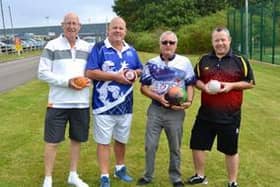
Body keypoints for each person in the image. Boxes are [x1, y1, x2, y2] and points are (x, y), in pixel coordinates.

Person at [186, 27, 255, 187]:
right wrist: (203, 87)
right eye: (216, 40)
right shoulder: (204, 60)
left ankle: (232, 182)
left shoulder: (240, 60)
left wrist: (231, 86)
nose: (220, 43)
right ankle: (200, 176)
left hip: (230, 115)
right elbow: (195, 79)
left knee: (230, 150)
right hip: (206, 114)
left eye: (223, 39)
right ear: (212, 42)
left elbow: (249, 83)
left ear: (229, 40)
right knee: (197, 145)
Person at [85, 16, 143, 187]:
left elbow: (139, 68)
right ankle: (104, 175)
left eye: (121, 28)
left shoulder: (131, 50)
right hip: (103, 105)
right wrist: (115, 76)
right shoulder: (99, 48)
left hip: (126, 104)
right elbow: (90, 72)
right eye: (114, 28)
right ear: (108, 30)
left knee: (121, 139)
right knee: (104, 142)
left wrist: (133, 74)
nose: (118, 31)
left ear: (125, 31)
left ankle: (120, 168)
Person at [38, 12, 91, 187]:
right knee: (52, 141)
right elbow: (42, 73)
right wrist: (66, 82)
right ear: (62, 25)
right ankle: (48, 179)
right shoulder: (52, 46)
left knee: (76, 140)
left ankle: (73, 175)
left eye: (74, 23)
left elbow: (92, 71)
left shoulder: (87, 47)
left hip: (81, 102)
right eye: (68, 23)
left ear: (79, 26)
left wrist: (90, 79)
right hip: (57, 103)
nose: (71, 26)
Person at [137, 31, 196, 187]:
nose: (168, 45)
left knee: (175, 147)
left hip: (175, 112)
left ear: (176, 45)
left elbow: (190, 84)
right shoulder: (151, 63)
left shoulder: (184, 62)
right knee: (150, 145)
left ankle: (175, 178)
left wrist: (189, 101)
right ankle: (148, 176)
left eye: (171, 42)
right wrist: (158, 98)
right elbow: (143, 88)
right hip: (156, 109)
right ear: (160, 44)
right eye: (165, 42)